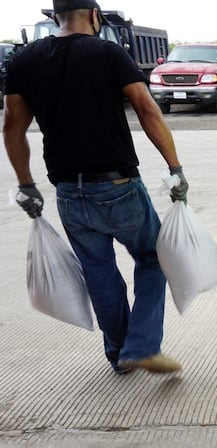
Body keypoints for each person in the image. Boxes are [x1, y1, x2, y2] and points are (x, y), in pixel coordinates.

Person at [3, 0, 187, 374]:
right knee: (154, 258)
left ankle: (120, 352)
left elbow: (12, 127)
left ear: (56, 16)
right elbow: (148, 110)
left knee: (99, 271)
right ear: (95, 15)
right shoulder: (108, 52)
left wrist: (26, 184)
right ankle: (142, 345)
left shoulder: (24, 61)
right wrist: (175, 167)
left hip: (69, 192)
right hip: (118, 185)